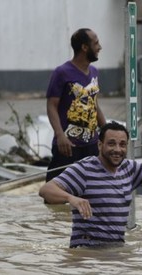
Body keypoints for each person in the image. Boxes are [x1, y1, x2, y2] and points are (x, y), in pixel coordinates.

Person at [45, 28, 107, 181]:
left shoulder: (94, 72)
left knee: (91, 192)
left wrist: (106, 132)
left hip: (91, 145)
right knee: (55, 195)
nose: (100, 47)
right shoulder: (62, 72)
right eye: (96, 43)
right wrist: (60, 135)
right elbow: (51, 105)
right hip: (68, 146)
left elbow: (95, 105)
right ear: (84, 47)